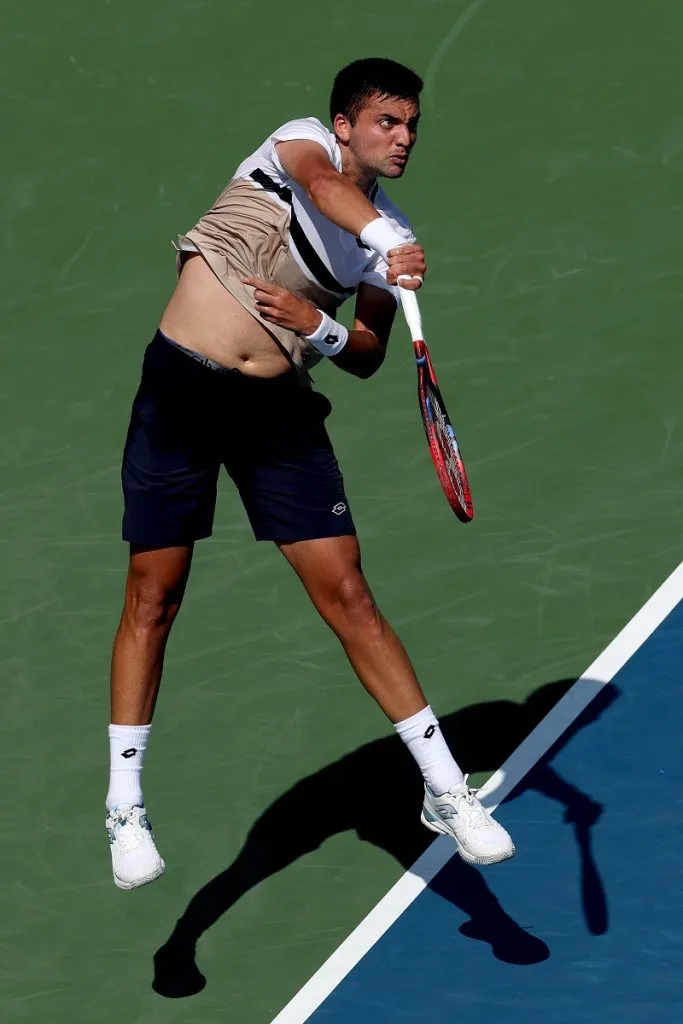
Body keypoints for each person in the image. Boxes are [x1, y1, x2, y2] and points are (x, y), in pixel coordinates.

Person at [106, 57, 515, 890]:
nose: (401, 139)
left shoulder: (383, 236)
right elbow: (327, 192)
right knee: (154, 595)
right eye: (385, 123)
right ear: (342, 125)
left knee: (349, 595)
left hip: (277, 415)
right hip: (181, 391)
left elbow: (364, 355)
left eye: (410, 126)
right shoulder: (297, 148)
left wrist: (313, 326)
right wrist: (385, 240)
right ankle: (124, 803)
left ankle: (444, 788)